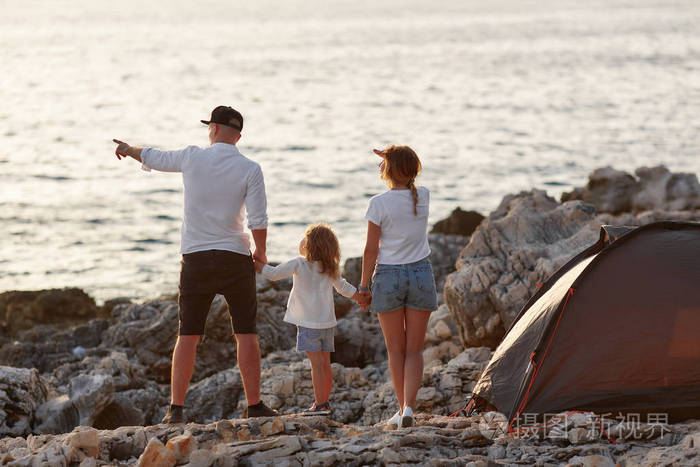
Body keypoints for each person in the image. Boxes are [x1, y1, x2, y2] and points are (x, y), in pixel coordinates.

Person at [112, 105, 278, 423]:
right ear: (238, 136)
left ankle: (176, 410)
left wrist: (127, 148)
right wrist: (261, 252)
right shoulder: (251, 168)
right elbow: (258, 219)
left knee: (187, 335)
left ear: (213, 129)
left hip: (197, 259)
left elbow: (154, 157)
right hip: (235, 257)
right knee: (246, 333)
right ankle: (254, 405)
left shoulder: (192, 157)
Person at [357, 145, 438, 429]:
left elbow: (370, 251)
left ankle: (401, 406)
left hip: (389, 276)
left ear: (389, 169)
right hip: (420, 273)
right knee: (414, 350)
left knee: (396, 349)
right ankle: (409, 409)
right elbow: (407, 175)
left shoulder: (378, 203)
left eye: (384, 164)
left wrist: (364, 286)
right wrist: (393, 158)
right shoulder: (423, 196)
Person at [254, 223, 360, 415]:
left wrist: (257, 264)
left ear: (310, 245)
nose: (301, 240)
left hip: (308, 325)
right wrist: (360, 297)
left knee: (316, 366)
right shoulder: (330, 268)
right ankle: (324, 402)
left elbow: (274, 274)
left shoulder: (299, 263)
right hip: (327, 324)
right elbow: (343, 288)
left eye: (305, 237)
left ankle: (319, 405)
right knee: (325, 365)